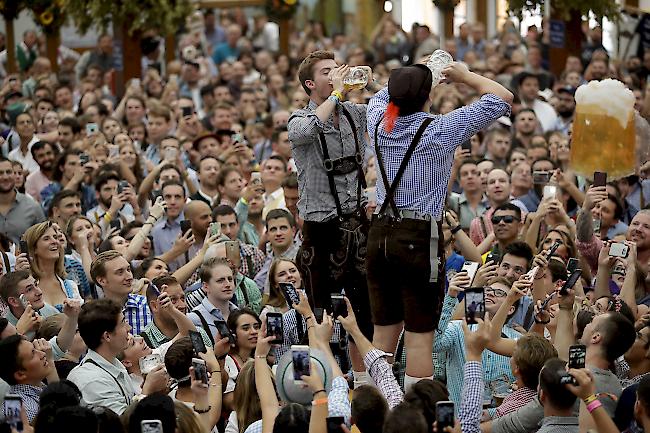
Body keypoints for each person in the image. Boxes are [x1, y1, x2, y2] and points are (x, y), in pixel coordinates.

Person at [366, 59, 512, 390]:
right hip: (417, 235)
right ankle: (416, 414)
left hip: (379, 233)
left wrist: (415, 85)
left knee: (383, 334)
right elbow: (502, 97)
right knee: (419, 337)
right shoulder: (439, 129)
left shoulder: (378, 120)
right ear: (427, 96)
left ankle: (375, 411)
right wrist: (465, 75)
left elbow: (382, 98)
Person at [288, 50, 379, 384]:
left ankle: (365, 384)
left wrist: (375, 83)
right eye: (328, 71)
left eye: (337, 69)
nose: (336, 73)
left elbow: (397, 113)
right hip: (321, 228)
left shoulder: (355, 112)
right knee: (317, 314)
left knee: (363, 312)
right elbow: (304, 134)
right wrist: (339, 91)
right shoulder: (298, 118)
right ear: (311, 83)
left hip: (356, 224)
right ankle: (312, 385)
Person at [67, 299, 166, 415]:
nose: (129, 328)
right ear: (107, 336)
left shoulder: (113, 362)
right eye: (123, 323)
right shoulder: (92, 381)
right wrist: (148, 391)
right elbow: (121, 425)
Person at [0, 334, 60, 423]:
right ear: (20, 374)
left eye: (35, 349)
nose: (43, 353)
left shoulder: (37, 388)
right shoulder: (24, 411)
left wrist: (50, 362)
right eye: (33, 353)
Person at [23, 221, 82, 311]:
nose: (55, 241)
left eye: (55, 237)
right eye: (46, 238)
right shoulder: (25, 288)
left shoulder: (71, 286)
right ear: (34, 248)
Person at [90, 250, 151, 335]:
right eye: (120, 272)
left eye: (128, 270)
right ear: (102, 280)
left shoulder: (149, 305)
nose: (129, 276)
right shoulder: (93, 317)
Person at [0, 155, 46, 243]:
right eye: (0, 173)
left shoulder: (33, 207)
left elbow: (43, 240)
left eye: (9, 172)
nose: (5, 177)